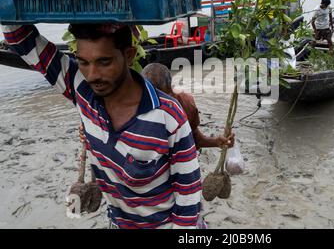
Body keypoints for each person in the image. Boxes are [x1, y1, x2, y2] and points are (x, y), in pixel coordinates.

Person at [1, 24, 202, 229]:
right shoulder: (82, 90)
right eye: (83, 62)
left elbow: (189, 191)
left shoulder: (167, 115)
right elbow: (20, 39)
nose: (92, 75)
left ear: (129, 55)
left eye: (104, 62)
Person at [141, 63, 235, 150]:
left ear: (170, 92)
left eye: (160, 98)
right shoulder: (132, 106)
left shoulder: (185, 103)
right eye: (149, 97)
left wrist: (216, 142)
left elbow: (194, 138)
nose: (156, 105)